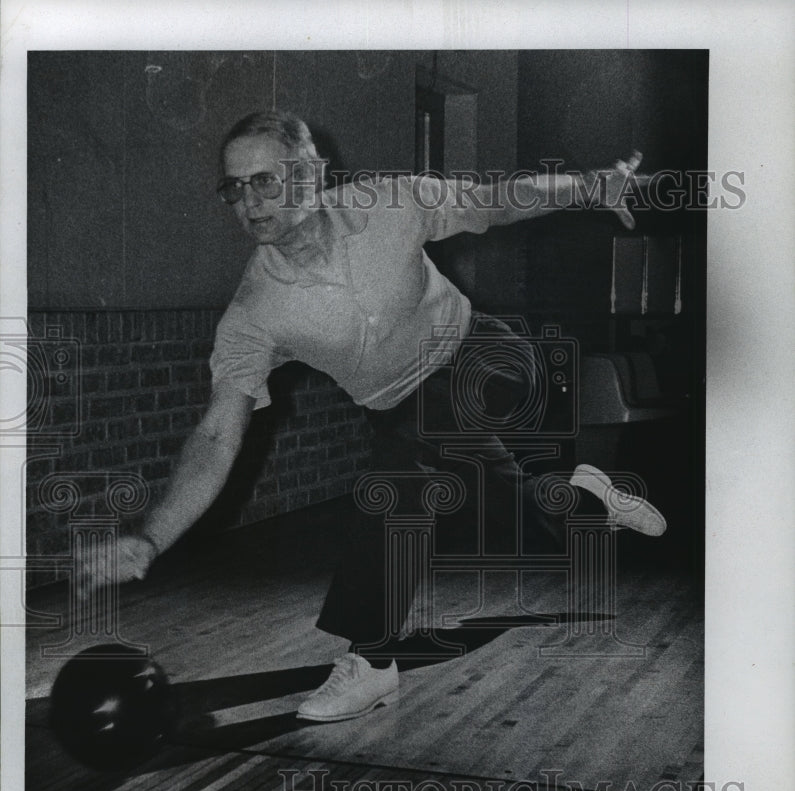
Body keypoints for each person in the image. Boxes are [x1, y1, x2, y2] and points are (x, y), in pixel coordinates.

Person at [81, 110, 666, 723]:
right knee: (507, 502)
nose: (248, 202)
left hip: (484, 357)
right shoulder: (255, 312)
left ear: (311, 174)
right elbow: (218, 432)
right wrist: (151, 535)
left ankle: (372, 658)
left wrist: (591, 185)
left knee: (403, 468)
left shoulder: (389, 203)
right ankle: (588, 499)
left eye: (265, 181)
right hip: (401, 414)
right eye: (235, 187)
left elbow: (496, 202)